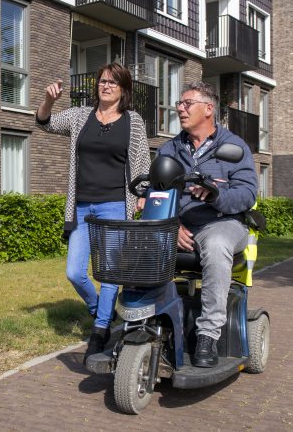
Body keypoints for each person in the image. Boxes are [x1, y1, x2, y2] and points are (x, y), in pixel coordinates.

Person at [35, 62, 150, 362]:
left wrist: (142, 195)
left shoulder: (133, 121)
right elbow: (44, 123)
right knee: (74, 271)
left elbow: (142, 162)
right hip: (82, 205)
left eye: (113, 82)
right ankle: (102, 310)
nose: (106, 86)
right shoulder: (79, 116)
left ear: (123, 89)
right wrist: (49, 100)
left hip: (115, 204)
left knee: (110, 271)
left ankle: (99, 330)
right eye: (102, 81)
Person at [156, 81, 257, 368]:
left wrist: (217, 195)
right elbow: (158, 193)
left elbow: (248, 195)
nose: (179, 108)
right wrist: (172, 225)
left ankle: (207, 335)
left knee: (214, 244)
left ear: (208, 108)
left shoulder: (234, 147)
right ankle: (145, 322)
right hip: (180, 225)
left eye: (187, 103)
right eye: (179, 103)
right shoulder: (170, 148)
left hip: (223, 223)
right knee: (139, 239)